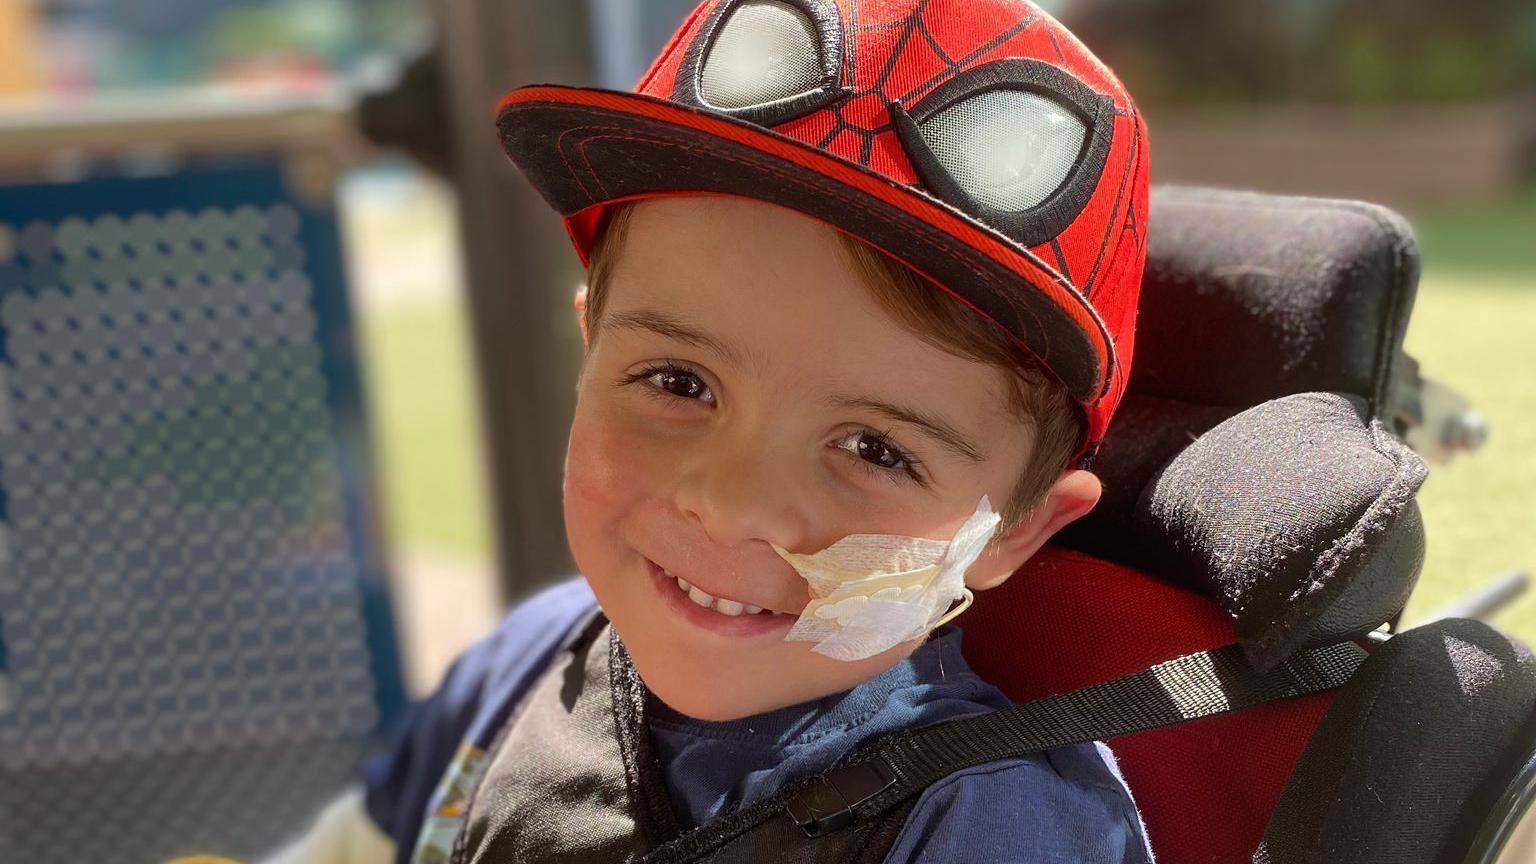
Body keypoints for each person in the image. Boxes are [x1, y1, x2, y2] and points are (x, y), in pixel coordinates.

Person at [267, 0, 1153, 861]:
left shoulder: (991, 823)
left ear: (1018, 532)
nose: (731, 507)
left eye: (876, 449)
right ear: (589, 354)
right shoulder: (526, 663)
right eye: (678, 382)